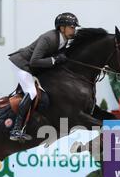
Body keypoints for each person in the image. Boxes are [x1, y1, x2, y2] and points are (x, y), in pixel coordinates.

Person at [7, 12, 80, 141]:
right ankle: (16, 129)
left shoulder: (65, 40)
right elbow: (34, 61)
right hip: (22, 64)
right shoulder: (49, 38)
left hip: (33, 67)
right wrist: (55, 59)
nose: (74, 30)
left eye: (74, 27)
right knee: (31, 92)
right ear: (62, 28)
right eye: (72, 27)